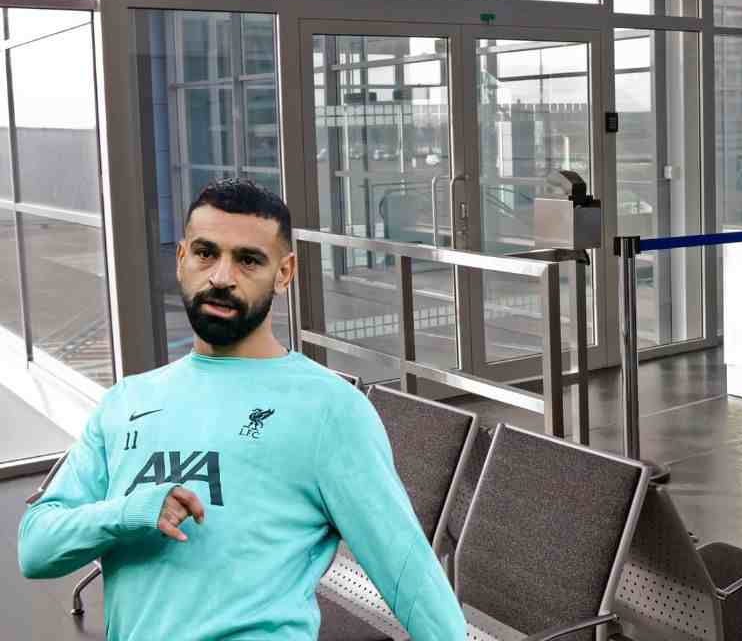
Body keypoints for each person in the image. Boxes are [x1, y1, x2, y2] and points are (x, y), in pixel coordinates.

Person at [18, 178, 465, 641]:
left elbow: (411, 578)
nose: (221, 277)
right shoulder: (127, 401)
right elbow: (36, 548)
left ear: (284, 273)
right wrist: (129, 513)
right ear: (182, 258)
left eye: (248, 260)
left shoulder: (329, 409)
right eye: (206, 253)